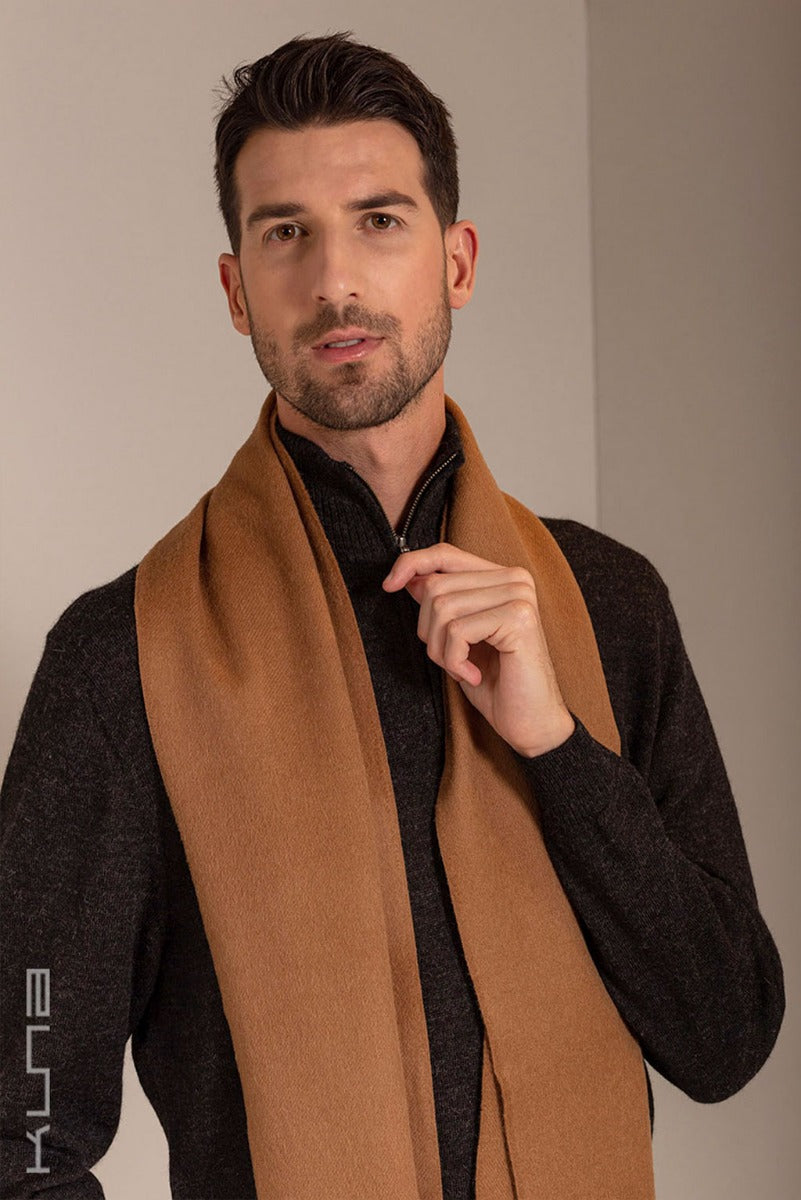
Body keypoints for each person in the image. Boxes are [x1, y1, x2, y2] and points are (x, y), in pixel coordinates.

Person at [0, 31, 784, 1200]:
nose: (334, 282)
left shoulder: (609, 605)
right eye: (285, 233)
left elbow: (726, 1035)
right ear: (236, 290)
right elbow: (22, 1119)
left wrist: (558, 751)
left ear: (456, 262)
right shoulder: (124, 659)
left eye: (379, 220)